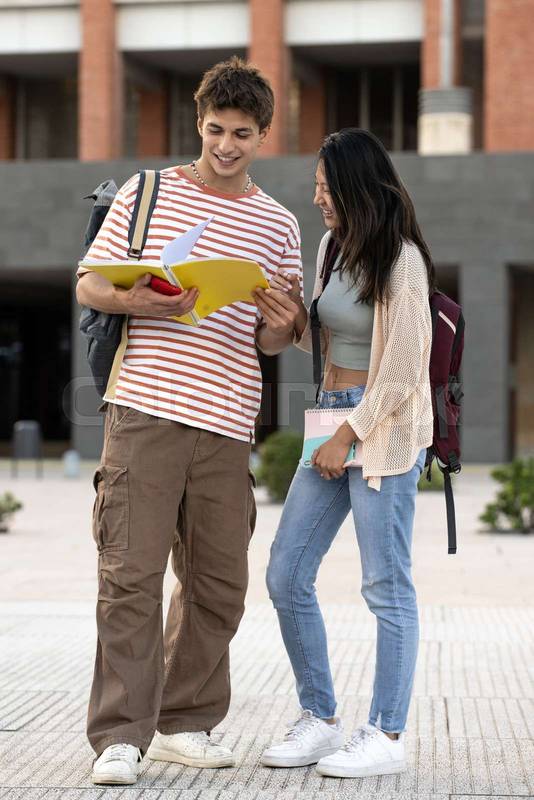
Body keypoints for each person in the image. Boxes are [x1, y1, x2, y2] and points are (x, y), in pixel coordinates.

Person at [76, 57, 302, 786]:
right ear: (197, 123)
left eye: (242, 133)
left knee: (217, 583)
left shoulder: (278, 223)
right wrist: (147, 301)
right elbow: (90, 282)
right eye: (215, 130)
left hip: (229, 420)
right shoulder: (147, 194)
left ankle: (186, 723)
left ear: (264, 133)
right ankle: (119, 735)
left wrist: (281, 323)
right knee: (130, 574)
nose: (226, 146)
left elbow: (275, 339)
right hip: (145, 410)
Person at [261, 128, 434, 778]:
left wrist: (348, 434)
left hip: (379, 433)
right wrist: (294, 323)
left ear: (358, 187)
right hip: (330, 423)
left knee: (386, 585)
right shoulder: (333, 248)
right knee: (286, 574)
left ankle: (388, 733)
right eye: (315, 187)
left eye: (326, 189)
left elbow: (401, 368)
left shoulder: (402, 258)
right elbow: (333, 345)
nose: (317, 200)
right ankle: (321, 718)